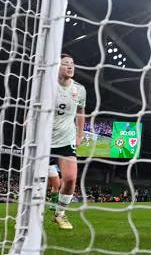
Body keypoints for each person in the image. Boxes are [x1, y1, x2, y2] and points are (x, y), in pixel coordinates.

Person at [49, 54, 87, 230]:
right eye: (65, 64)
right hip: (44, 139)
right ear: (57, 67)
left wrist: (80, 134)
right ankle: (27, 214)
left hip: (66, 139)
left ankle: (60, 214)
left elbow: (80, 111)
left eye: (72, 64)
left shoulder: (79, 89)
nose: (70, 67)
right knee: (38, 181)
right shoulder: (47, 86)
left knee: (70, 179)